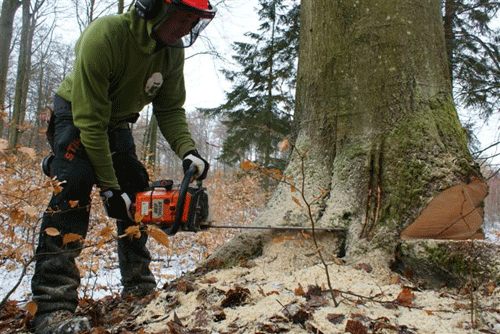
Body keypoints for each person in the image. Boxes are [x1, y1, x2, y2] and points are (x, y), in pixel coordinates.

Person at [30, 0, 215, 333]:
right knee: (74, 187)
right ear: (155, 9)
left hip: (117, 123)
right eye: (183, 19)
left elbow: (170, 109)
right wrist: (109, 189)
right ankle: (51, 307)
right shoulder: (106, 36)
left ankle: (138, 286)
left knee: (138, 191)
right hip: (77, 114)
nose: (187, 28)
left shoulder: (171, 53)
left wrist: (188, 151)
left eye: (194, 21)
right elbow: (90, 121)